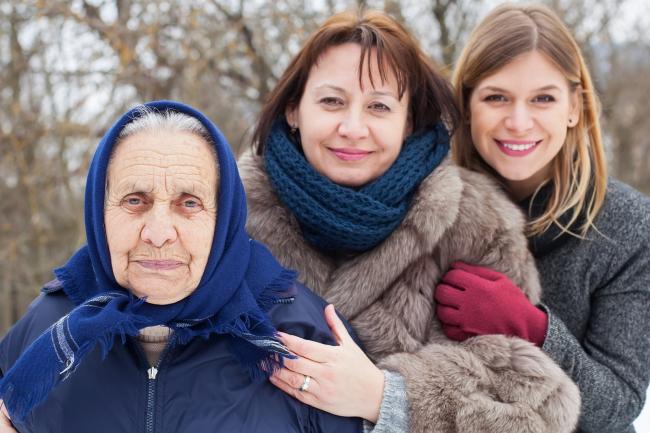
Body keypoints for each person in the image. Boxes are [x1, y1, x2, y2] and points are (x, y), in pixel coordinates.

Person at [239, 9, 580, 433]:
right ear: (294, 109)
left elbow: (539, 409)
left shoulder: (474, 223)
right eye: (332, 101)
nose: (352, 127)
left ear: (409, 122)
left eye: (379, 106)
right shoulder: (228, 215)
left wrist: (387, 397)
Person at [0, 100, 362, 433]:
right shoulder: (45, 328)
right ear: (99, 212)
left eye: (189, 203)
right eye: (134, 200)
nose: (158, 234)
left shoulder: (304, 336)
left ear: (224, 218)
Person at [447, 4, 650, 433]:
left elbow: (618, 406)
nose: (519, 121)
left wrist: (532, 328)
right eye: (496, 97)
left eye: (543, 98)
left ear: (574, 107)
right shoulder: (433, 209)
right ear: (467, 106)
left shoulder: (629, 226)